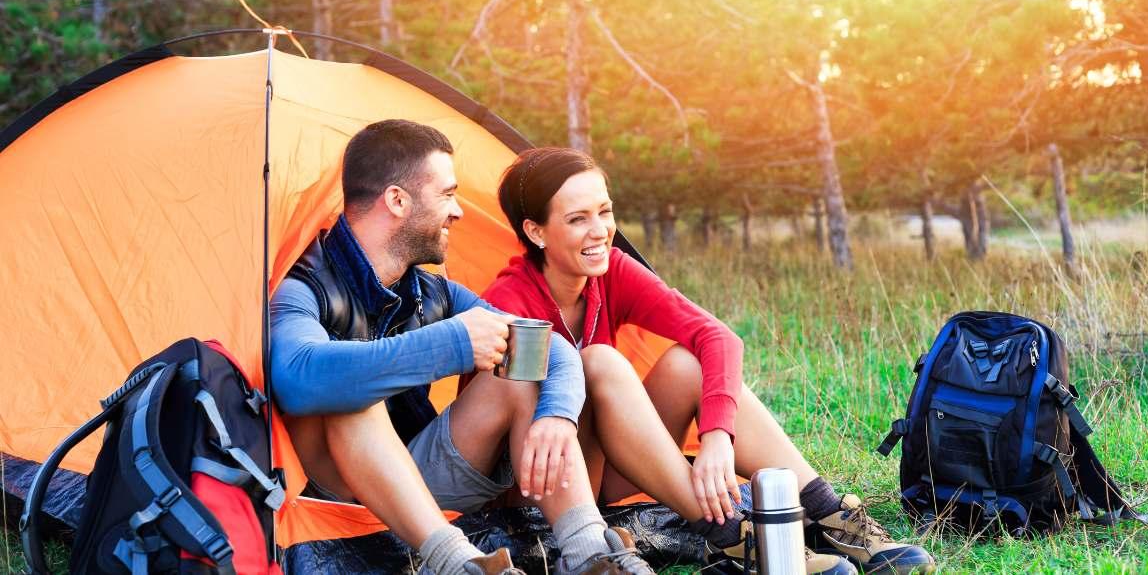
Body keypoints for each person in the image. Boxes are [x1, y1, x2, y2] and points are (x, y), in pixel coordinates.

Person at [482, 147, 937, 575]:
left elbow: (715, 336)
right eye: (578, 218)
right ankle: (731, 536)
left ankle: (829, 515)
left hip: (607, 474)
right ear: (535, 231)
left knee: (687, 363)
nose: (600, 230)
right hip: (540, 486)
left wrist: (717, 436)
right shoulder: (509, 302)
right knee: (598, 360)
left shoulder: (611, 271)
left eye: (605, 211)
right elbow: (507, 438)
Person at [269, 122, 655, 575]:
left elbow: (550, 348)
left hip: (416, 477)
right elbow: (296, 377)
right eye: (448, 194)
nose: (459, 212)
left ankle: (590, 551)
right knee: (352, 394)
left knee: (519, 372)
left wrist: (557, 414)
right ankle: (459, 563)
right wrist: (449, 344)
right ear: (397, 201)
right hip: (335, 503)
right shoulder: (304, 289)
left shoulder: (433, 292)